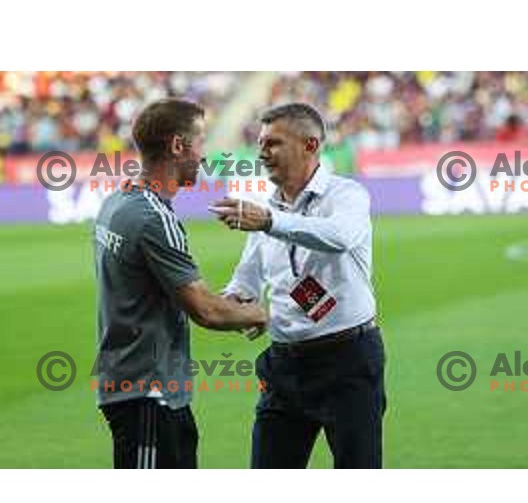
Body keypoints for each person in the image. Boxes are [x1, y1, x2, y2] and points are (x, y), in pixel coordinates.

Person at [93, 98, 267, 469]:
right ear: (177, 146)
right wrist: (261, 314)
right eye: (200, 141)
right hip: (149, 394)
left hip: (131, 384)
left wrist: (229, 302)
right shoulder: (154, 218)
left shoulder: (116, 202)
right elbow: (205, 310)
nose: (205, 155)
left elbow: (163, 293)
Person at [212, 103, 386, 469]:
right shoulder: (266, 208)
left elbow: (340, 237)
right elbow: (247, 277)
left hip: (347, 360)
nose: (262, 152)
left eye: (273, 143)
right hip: (284, 365)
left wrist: (271, 221)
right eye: (260, 142)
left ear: (309, 145)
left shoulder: (345, 195)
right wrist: (234, 302)